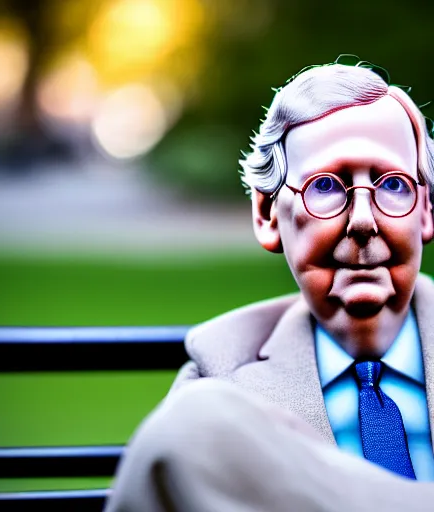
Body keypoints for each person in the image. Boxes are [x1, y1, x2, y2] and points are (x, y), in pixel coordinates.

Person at [104, 58, 434, 511]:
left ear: (426, 210)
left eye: (393, 185)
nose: (363, 220)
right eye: (326, 186)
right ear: (267, 215)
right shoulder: (223, 371)